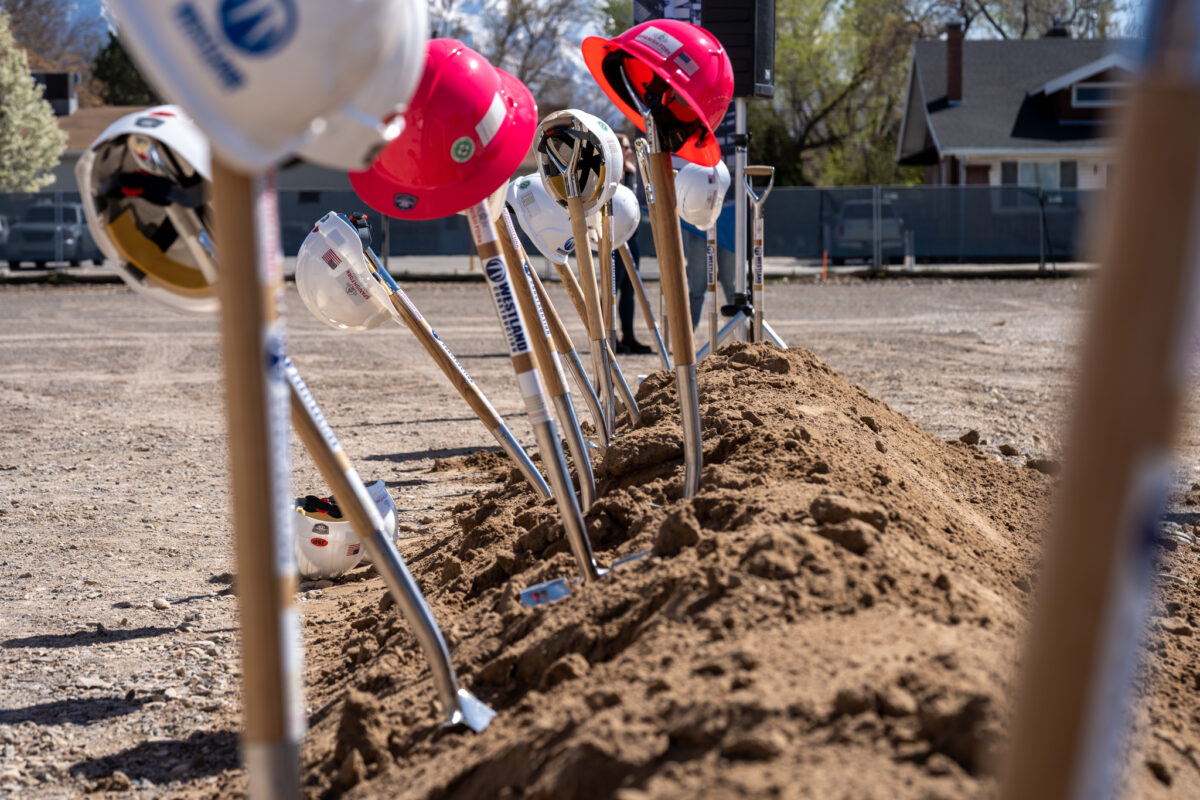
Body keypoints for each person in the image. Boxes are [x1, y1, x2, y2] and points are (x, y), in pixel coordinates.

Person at [614, 134, 652, 355]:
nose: (628, 151)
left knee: (630, 290)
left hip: (631, 237)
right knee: (612, 289)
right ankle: (609, 336)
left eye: (628, 147)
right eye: (625, 147)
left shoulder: (631, 172)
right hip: (613, 238)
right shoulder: (609, 172)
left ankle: (629, 335)